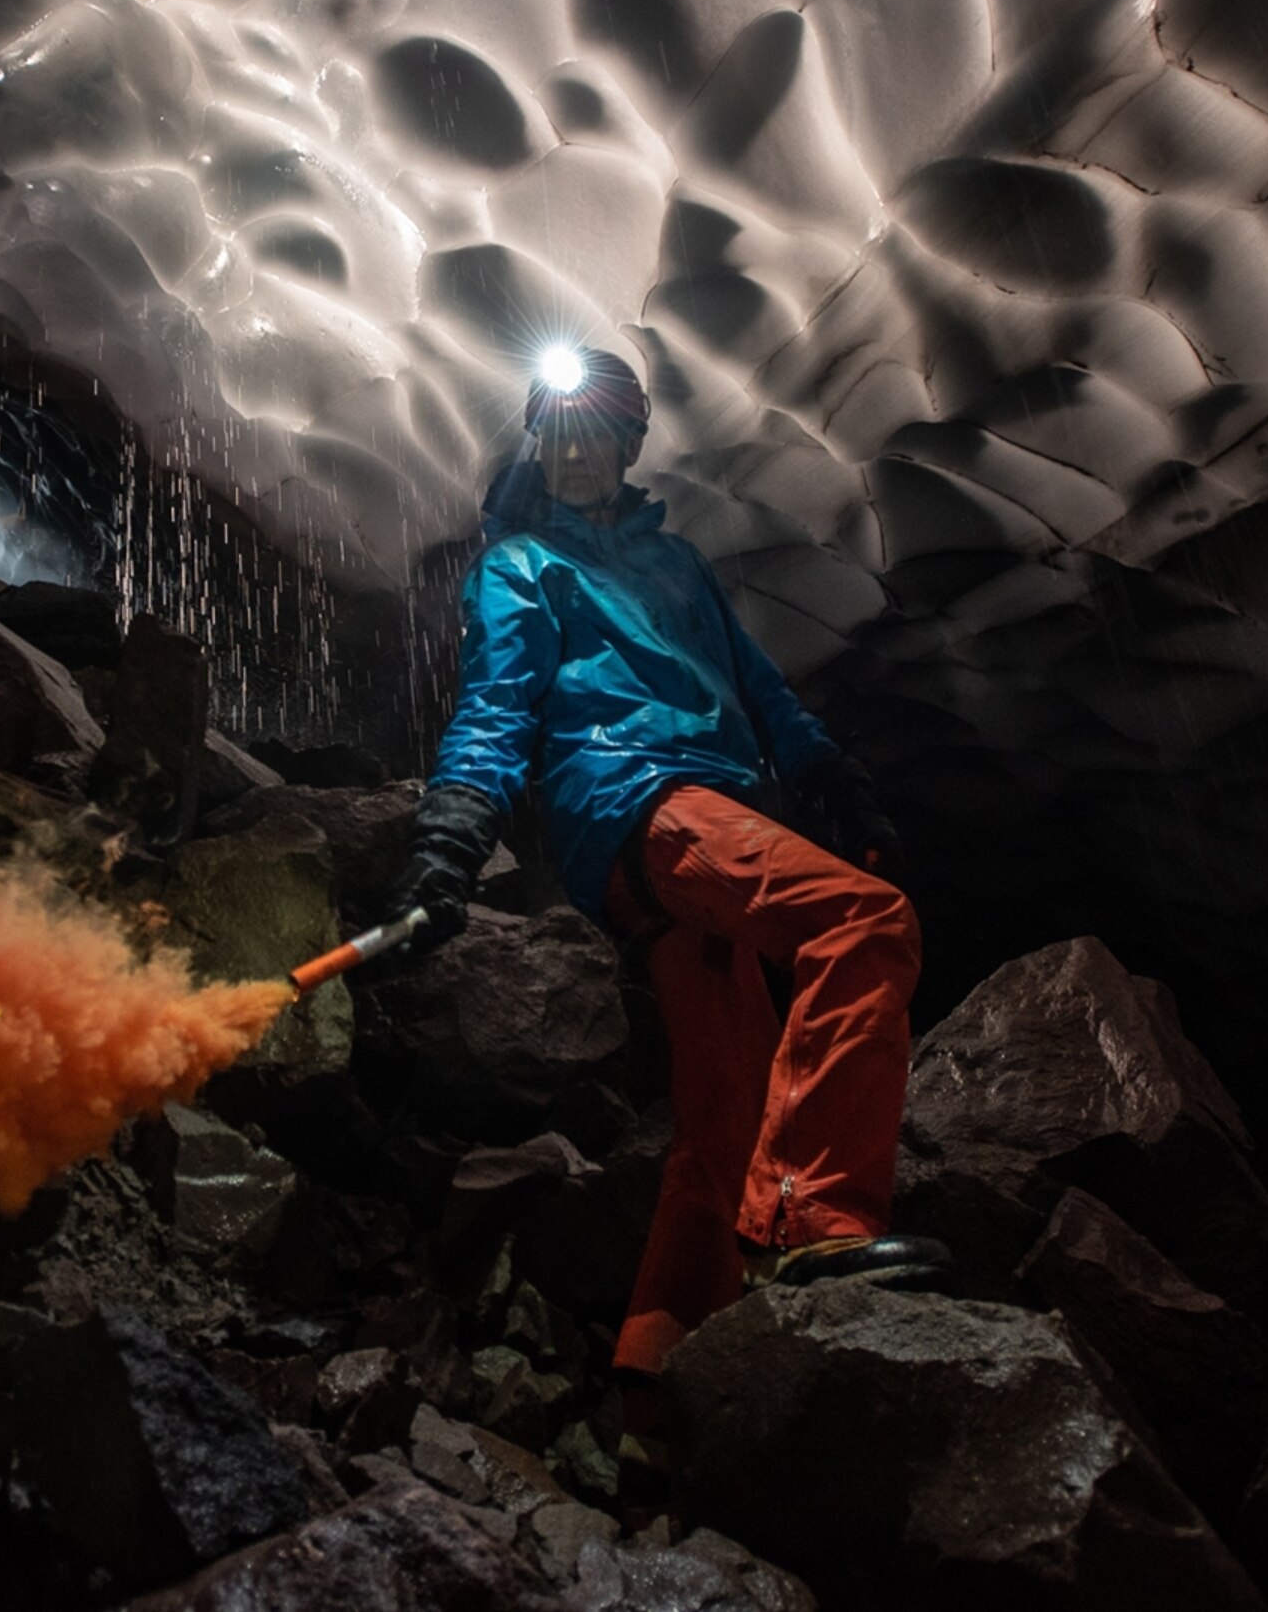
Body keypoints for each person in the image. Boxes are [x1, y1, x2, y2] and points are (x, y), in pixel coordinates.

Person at [391, 344, 948, 1388]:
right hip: (644, 802)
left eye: (595, 432)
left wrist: (835, 779)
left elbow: (762, 689)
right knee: (863, 921)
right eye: (556, 433)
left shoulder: (677, 565)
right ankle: (815, 1218)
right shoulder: (521, 565)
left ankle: (656, 1383)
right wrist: (453, 827)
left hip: (708, 810)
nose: (573, 451)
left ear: (627, 444)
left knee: (723, 1115)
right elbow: (499, 706)